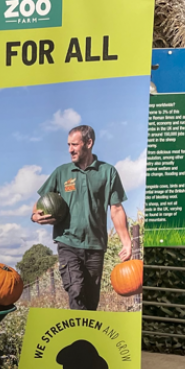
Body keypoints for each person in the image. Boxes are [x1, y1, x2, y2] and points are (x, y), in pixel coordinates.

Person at [31, 125, 130, 312]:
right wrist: (35, 215)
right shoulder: (62, 172)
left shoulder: (107, 172)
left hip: (95, 246)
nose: (70, 149)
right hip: (68, 242)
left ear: (89, 143)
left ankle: (88, 338)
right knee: (75, 290)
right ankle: (77, 339)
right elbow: (40, 202)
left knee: (91, 301)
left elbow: (116, 209)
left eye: (74, 144)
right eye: (68, 145)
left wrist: (126, 243)